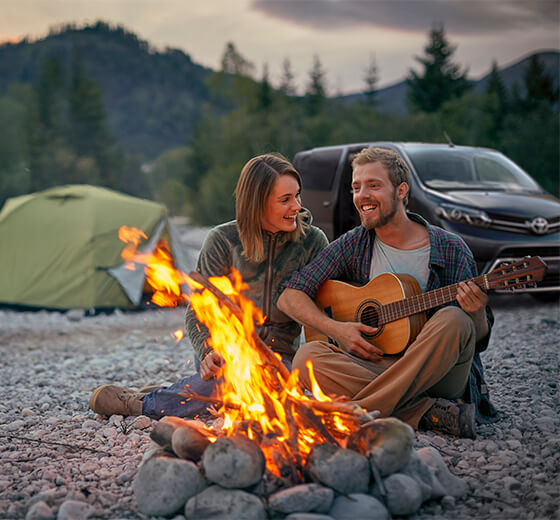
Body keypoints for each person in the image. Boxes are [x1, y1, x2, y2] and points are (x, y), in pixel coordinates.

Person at [277, 147, 497, 439]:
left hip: (438, 374)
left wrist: (476, 311)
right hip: (376, 365)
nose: (362, 196)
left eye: (374, 185)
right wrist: (337, 330)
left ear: (401, 190)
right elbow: (289, 295)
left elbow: (477, 341)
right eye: (356, 187)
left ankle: (353, 414)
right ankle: (426, 412)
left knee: (454, 319)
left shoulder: (451, 248)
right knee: (307, 356)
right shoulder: (354, 244)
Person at [89, 153, 329, 419]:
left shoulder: (312, 242)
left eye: (298, 196)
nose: (297, 206)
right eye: (285, 200)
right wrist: (208, 350)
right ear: (257, 203)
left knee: (268, 394)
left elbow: (327, 305)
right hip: (225, 354)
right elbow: (198, 310)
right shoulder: (222, 241)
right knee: (231, 383)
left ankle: (162, 396)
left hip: (280, 358)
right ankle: (139, 405)